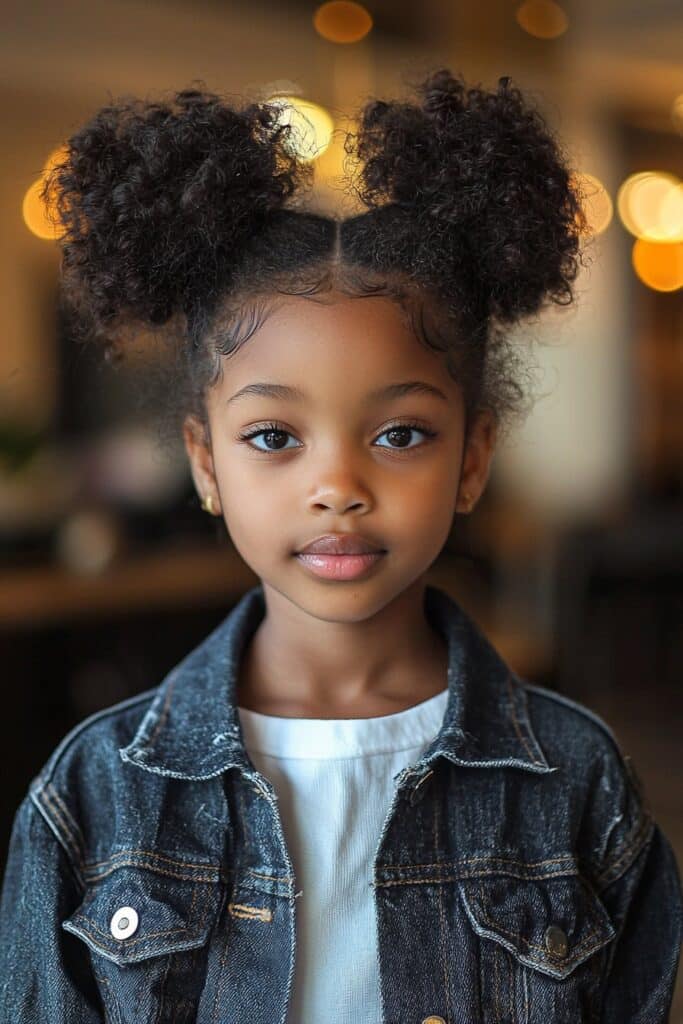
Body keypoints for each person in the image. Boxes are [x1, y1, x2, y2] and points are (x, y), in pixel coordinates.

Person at [0, 68, 680, 1024]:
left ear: (472, 458)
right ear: (204, 461)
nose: (337, 487)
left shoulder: (581, 781)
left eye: (400, 434)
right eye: (273, 438)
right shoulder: (92, 793)